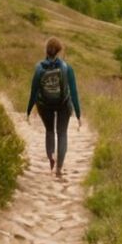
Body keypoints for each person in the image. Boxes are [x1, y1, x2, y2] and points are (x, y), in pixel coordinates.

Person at [26, 36, 81, 177]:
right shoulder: (67, 68)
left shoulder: (39, 68)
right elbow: (73, 92)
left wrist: (28, 110)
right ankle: (59, 169)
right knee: (62, 133)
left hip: (45, 105)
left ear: (46, 50)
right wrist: (78, 115)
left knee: (50, 131)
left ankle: (51, 159)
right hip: (63, 104)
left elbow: (34, 91)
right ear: (59, 51)